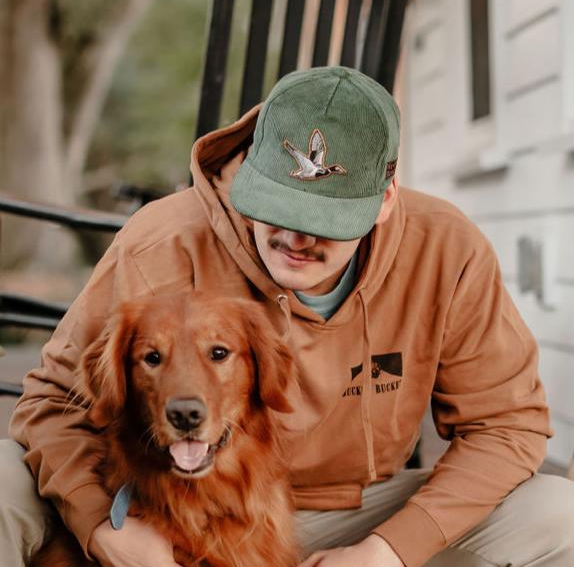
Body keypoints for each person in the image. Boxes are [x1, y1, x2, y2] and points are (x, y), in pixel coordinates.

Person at [2, 66, 573, 567]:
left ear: (387, 195)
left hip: (347, 514)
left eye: (324, 217)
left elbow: (506, 426)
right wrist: (104, 528)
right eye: (277, 205)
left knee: (558, 517)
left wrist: (390, 550)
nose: (295, 237)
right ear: (251, 166)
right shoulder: (159, 244)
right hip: (168, 505)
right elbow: (52, 403)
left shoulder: (447, 250)